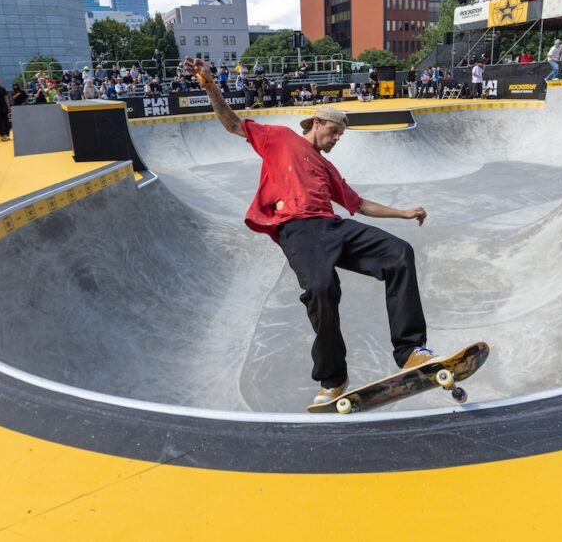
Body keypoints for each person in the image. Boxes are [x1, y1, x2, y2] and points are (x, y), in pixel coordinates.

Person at [181, 56, 433, 406]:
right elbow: (233, 124)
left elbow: (358, 205)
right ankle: (334, 377)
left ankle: (409, 350)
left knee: (399, 253)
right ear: (317, 123)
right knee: (321, 287)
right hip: (298, 230)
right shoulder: (279, 138)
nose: (336, 141)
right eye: (335, 133)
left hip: (334, 227)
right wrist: (210, 87)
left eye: (341, 137)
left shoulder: (327, 168)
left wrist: (403, 213)